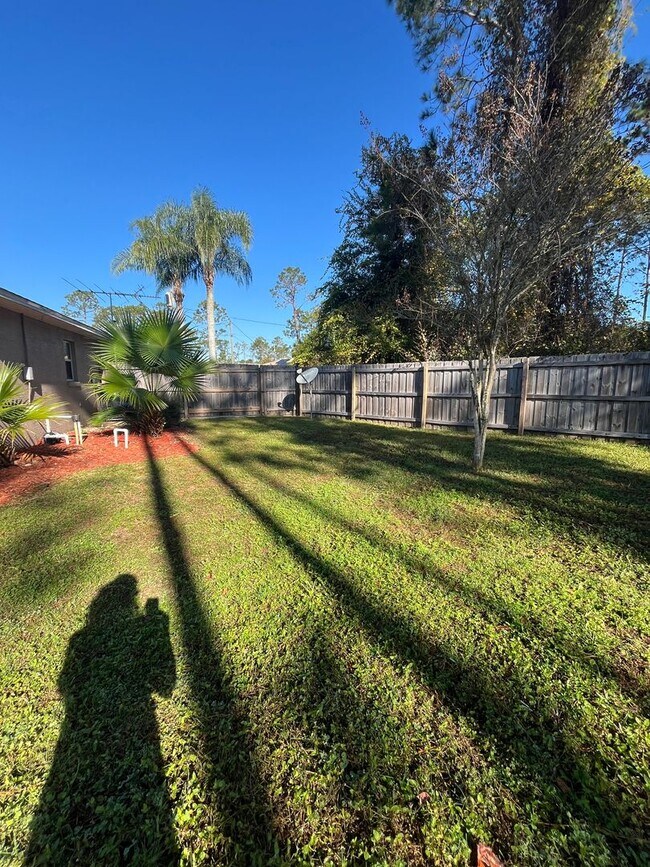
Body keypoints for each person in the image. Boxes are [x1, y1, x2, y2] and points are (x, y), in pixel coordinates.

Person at [25, 574, 178, 865]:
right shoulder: (84, 639)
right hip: (128, 724)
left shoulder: (80, 640)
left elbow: (65, 685)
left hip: (78, 741)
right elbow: (165, 684)